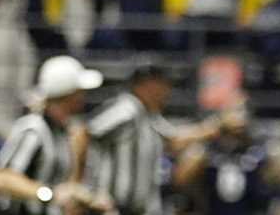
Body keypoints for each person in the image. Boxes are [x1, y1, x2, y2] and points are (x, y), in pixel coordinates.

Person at [83, 63, 231, 215]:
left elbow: (174, 139)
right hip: (110, 208)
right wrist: (79, 184)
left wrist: (217, 126)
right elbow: (83, 132)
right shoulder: (126, 109)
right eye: (164, 85)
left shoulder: (148, 115)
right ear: (150, 84)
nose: (168, 92)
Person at [0, 56, 113, 215]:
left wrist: (85, 197)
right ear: (68, 94)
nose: (83, 96)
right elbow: (2, 178)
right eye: (79, 91)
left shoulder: (61, 131)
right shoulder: (34, 128)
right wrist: (47, 194)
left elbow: (61, 187)